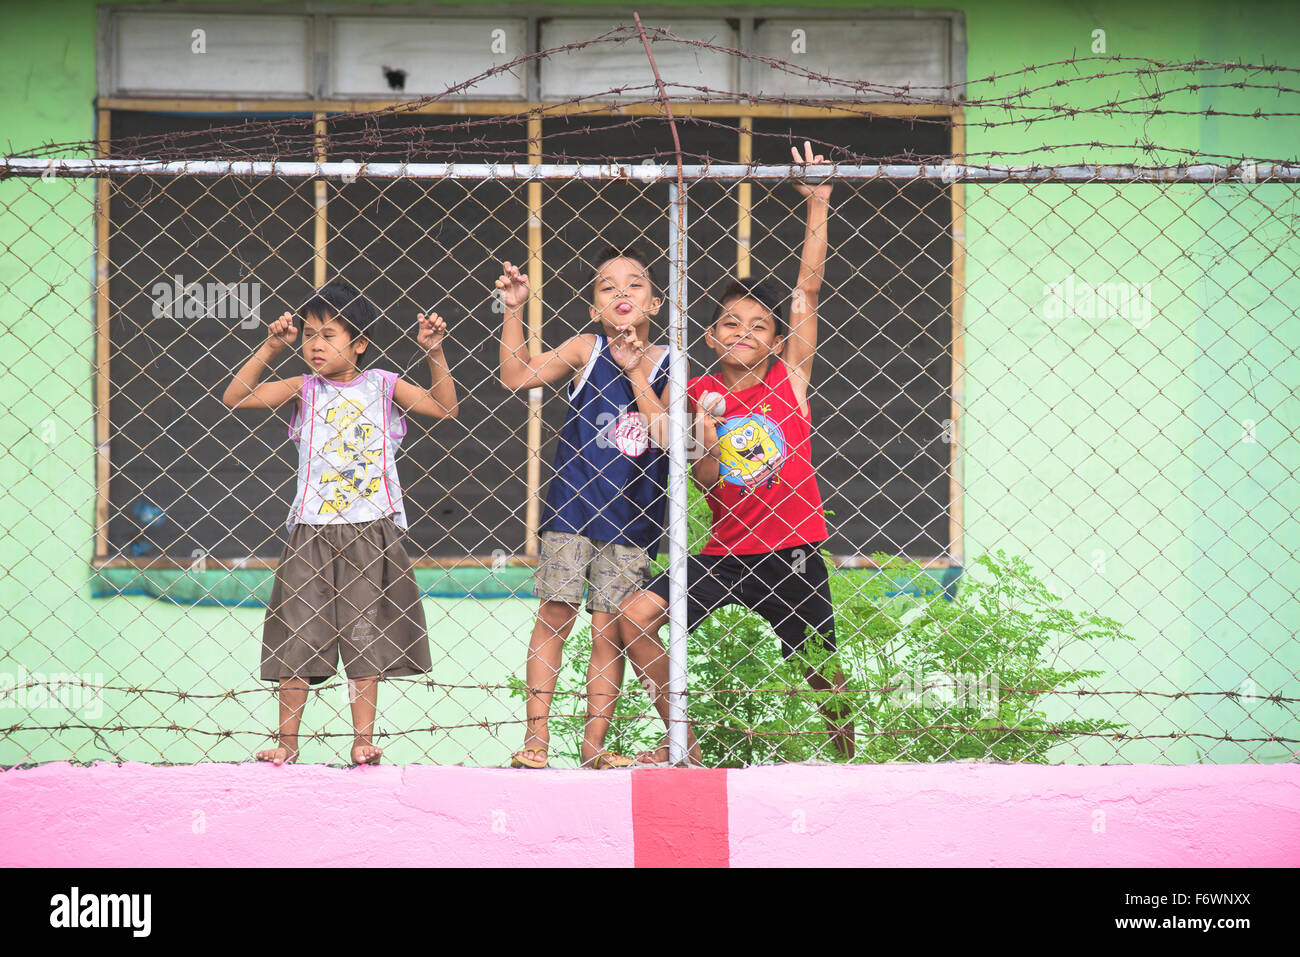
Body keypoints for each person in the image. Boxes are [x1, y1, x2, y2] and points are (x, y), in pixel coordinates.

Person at [615, 141, 855, 765]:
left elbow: (808, 288)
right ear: (711, 333)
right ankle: (683, 744)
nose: (742, 333)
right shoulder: (698, 390)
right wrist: (656, 389)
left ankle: (849, 761)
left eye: (758, 326)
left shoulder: (789, 380)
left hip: (792, 549)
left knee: (819, 666)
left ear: (777, 341)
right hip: (726, 550)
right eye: (729, 323)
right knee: (636, 618)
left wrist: (818, 204)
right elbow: (699, 473)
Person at [221, 282, 458, 765]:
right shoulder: (302, 390)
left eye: (329, 334)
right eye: (309, 334)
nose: (315, 345)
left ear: (360, 343)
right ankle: (288, 742)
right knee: (299, 631)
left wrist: (434, 352)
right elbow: (236, 396)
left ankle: (362, 739)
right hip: (310, 528)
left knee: (364, 632)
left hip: (372, 529)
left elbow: (445, 408)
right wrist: (270, 346)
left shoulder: (385, 386)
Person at [497, 246, 672, 769]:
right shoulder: (585, 349)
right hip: (573, 509)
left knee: (606, 629)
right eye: (607, 286)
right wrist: (513, 309)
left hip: (634, 519)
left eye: (635, 283)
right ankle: (536, 741)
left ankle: (593, 748)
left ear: (656, 303)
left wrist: (637, 369)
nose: (621, 292)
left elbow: (666, 435)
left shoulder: (672, 363)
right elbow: (515, 377)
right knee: (555, 614)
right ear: (595, 307)